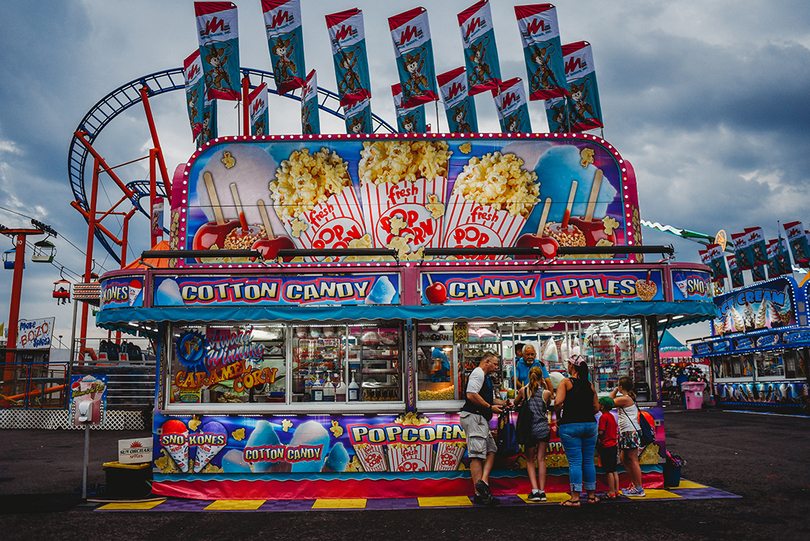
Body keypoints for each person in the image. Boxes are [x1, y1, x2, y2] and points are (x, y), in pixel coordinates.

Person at [460, 351, 512, 506]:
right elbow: (471, 395)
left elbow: (487, 398)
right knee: (476, 455)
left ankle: (482, 484)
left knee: (491, 450)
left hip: (481, 419)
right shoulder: (477, 373)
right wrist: (490, 408)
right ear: (487, 361)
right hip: (474, 417)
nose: (496, 367)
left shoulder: (486, 377)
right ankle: (480, 493)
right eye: (495, 364)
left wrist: (503, 403)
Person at [555, 355, 600, 506]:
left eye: (568, 364)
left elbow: (558, 402)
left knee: (575, 462)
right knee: (588, 461)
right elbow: (596, 408)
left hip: (570, 426)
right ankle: (591, 496)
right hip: (590, 425)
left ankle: (575, 498)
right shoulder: (589, 385)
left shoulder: (566, 382)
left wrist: (557, 417)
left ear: (572, 366)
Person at [514, 366, 552, 502]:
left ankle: (534, 491)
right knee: (541, 459)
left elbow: (515, 403)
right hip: (543, 429)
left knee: (530, 460)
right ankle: (542, 491)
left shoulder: (523, 391)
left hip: (529, 430)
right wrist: (545, 384)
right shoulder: (546, 393)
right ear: (541, 377)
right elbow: (549, 400)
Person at [610, 376, 645, 497]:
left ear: (621, 387)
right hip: (626, 432)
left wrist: (614, 390)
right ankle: (634, 484)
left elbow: (608, 402)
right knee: (624, 459)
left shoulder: (625, 399)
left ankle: (639, 488)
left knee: (633, 460)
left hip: (630, 431)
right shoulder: (627, 397)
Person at [597, 396, 620, 499]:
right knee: (614, 469)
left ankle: (611, 492)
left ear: (602, 407)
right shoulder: (611, 416)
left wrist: (596, 434)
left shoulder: (603, 417)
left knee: (608, 470)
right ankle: (617, 491)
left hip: (606, 445)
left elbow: (601, 431)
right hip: (613, 445)